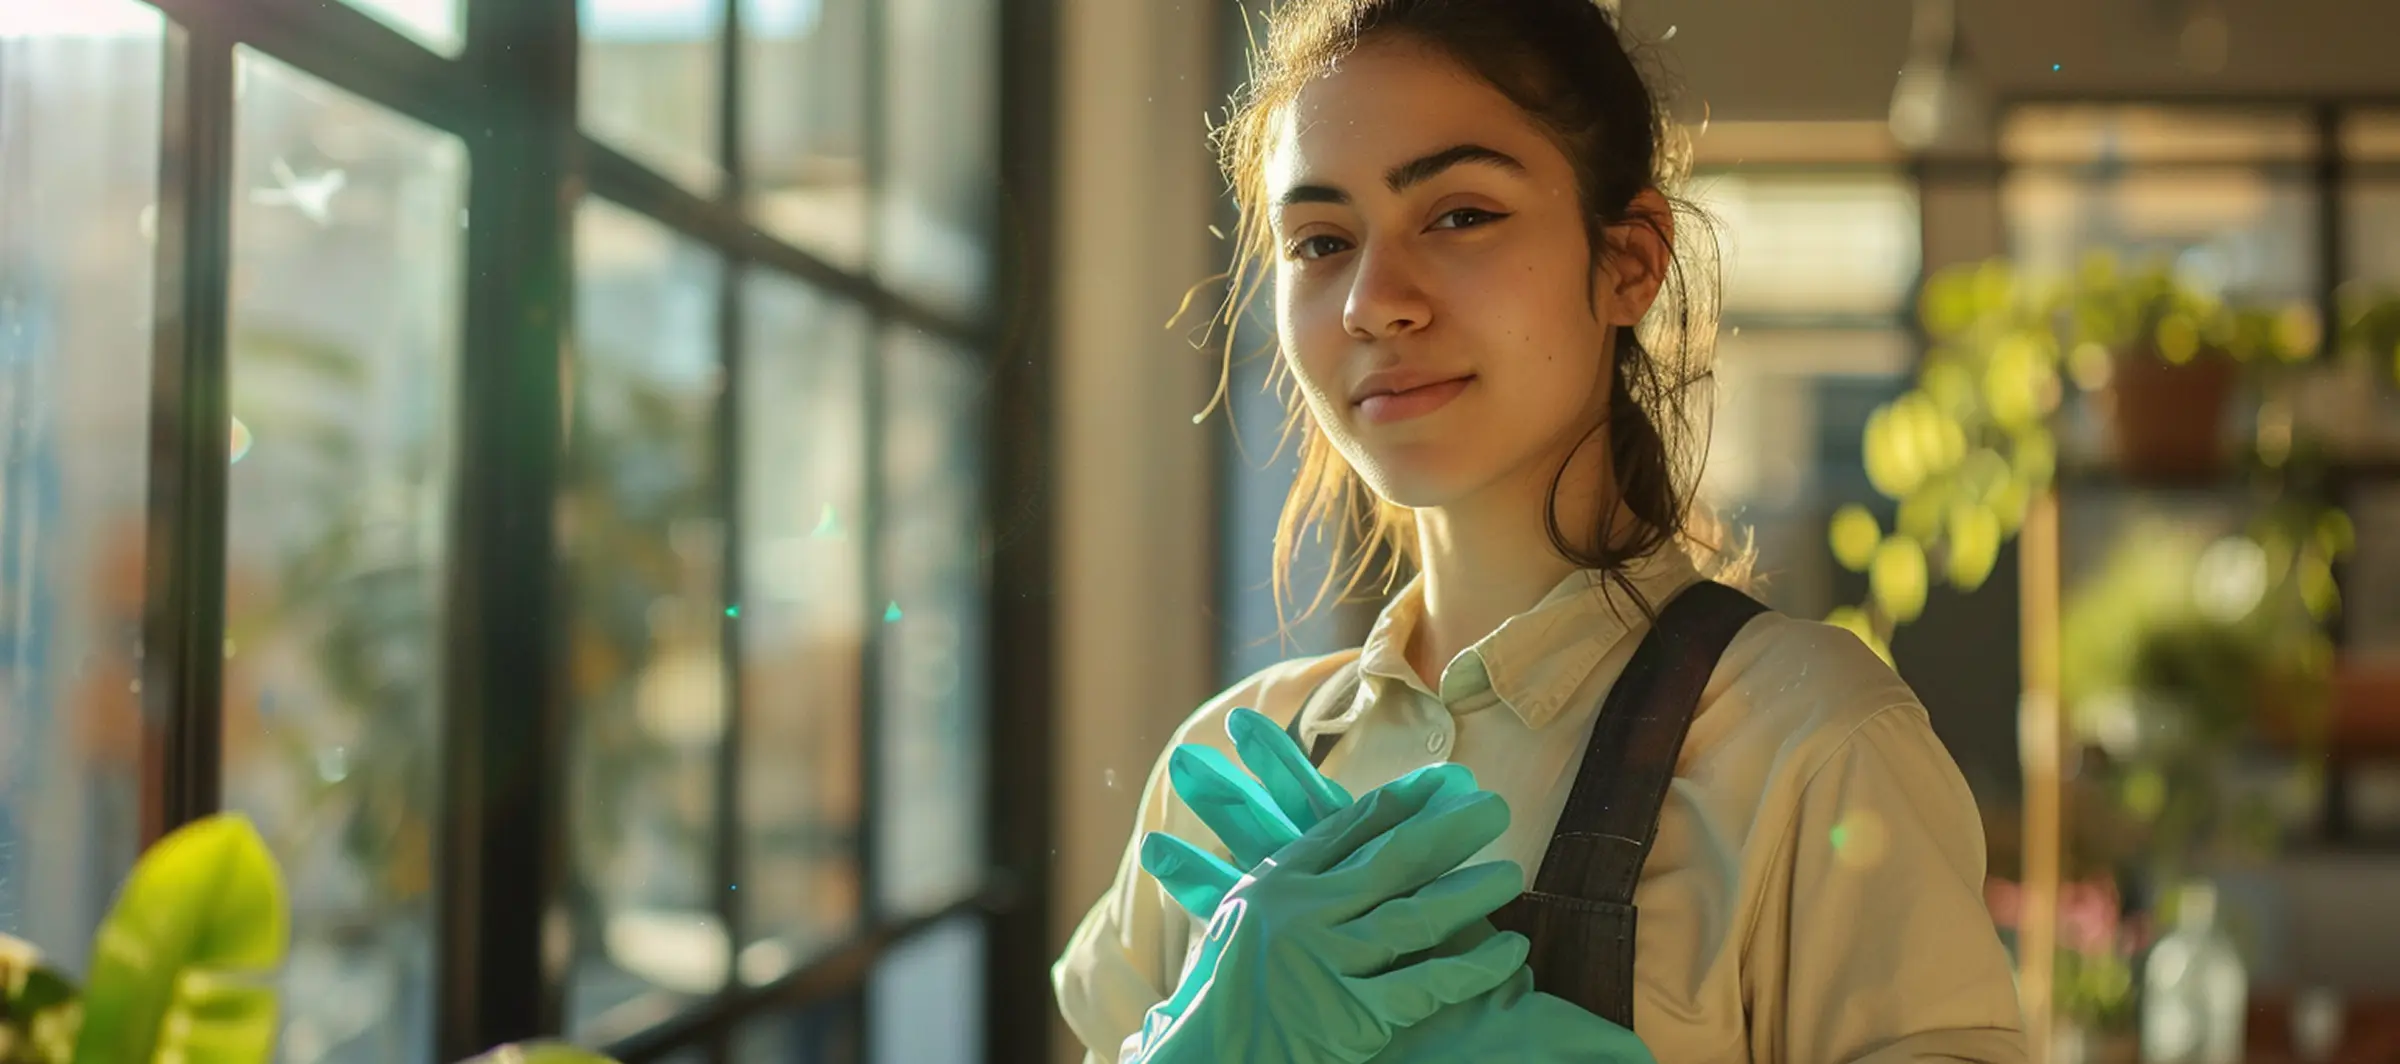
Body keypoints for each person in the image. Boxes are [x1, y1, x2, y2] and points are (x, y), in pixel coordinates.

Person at [1052, 0, 2030, 1060]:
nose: (1374, 303)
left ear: (1629, 261)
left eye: (1460, 214)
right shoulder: (1223, 778)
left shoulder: (1813, 743)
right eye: (1322, 241)